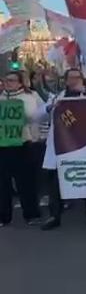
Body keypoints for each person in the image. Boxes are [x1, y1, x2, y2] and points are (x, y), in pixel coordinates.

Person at [41, 68, 86, 230]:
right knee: (54, 181)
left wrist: (85, 92)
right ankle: (54, 215)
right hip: (59, 145)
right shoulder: (58, 96)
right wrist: (51, 107)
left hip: (81, 143)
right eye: (71, 78)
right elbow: (41, 114)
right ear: (66, 80)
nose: (74, 80)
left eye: (77, 77)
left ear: (82, 79)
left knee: (85, 176)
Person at [0, 71, 44, 227]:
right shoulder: (1, 98)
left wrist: (22, 114)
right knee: (3, 183)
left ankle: (31, 214)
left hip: (23, 143)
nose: (8, 83)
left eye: (12, 80)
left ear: (20, 83)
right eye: (6, 80)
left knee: (26, 182)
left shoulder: (29, 97)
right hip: (3, 145)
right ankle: (3, 216)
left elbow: (36, 116)